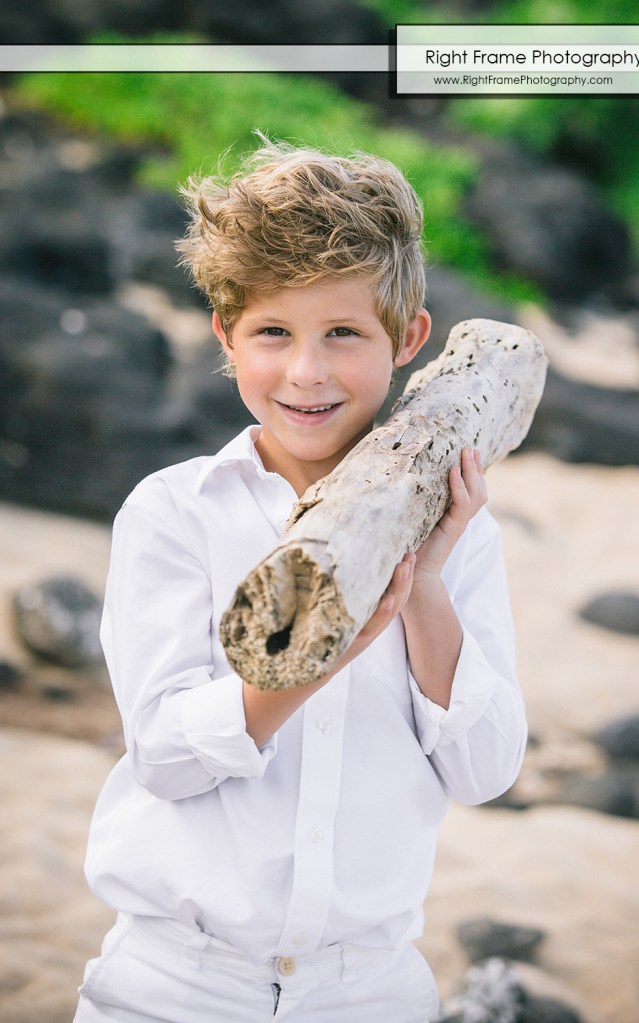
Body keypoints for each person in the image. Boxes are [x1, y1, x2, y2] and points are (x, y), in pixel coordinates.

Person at [74, 139, 527, 1023]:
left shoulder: (464, 530)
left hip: (371, 990)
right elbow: (163, 756)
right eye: (273, 332)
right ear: (225, 334)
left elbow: (483, 769)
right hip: (174, 986)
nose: (307, 372)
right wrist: (318, 652)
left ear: (409, 339)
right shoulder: (175, 512)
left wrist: (423, 579)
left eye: (344, 333)